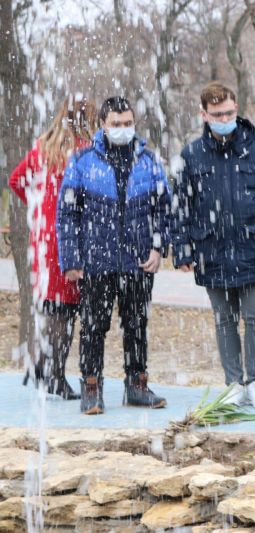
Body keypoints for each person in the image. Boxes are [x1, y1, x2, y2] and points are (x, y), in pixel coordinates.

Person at [172, 81, 255, 409]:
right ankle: (233, 383)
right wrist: (182, 248)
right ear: (204, 114)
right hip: (212, 249)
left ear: (236, 109)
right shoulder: (192, 154)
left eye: (229, 112)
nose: (224, 118)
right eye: (217, 114)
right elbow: (181, 205)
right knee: (224, 319)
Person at [57, 96, 171, 415]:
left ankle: (137, 384)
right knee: (94, 326)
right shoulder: (82, 162)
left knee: (136, 324)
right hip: (96, 260)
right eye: (116, 124)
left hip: (137, 259)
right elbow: (67, 214)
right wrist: (72, 259)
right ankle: (91, 388)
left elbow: (163, 208)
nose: (123, 129)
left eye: (128, 123)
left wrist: (158, 246)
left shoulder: (148, 161)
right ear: (103, 126)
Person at [9, 94, 96, 400]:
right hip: (71, 239)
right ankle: (54, 375)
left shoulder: (42, 146)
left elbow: (16, 180)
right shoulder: (86, 151)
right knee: (65, 310)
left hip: (44, 238)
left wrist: (37, 210)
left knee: (53, 306)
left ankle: (41, 366)